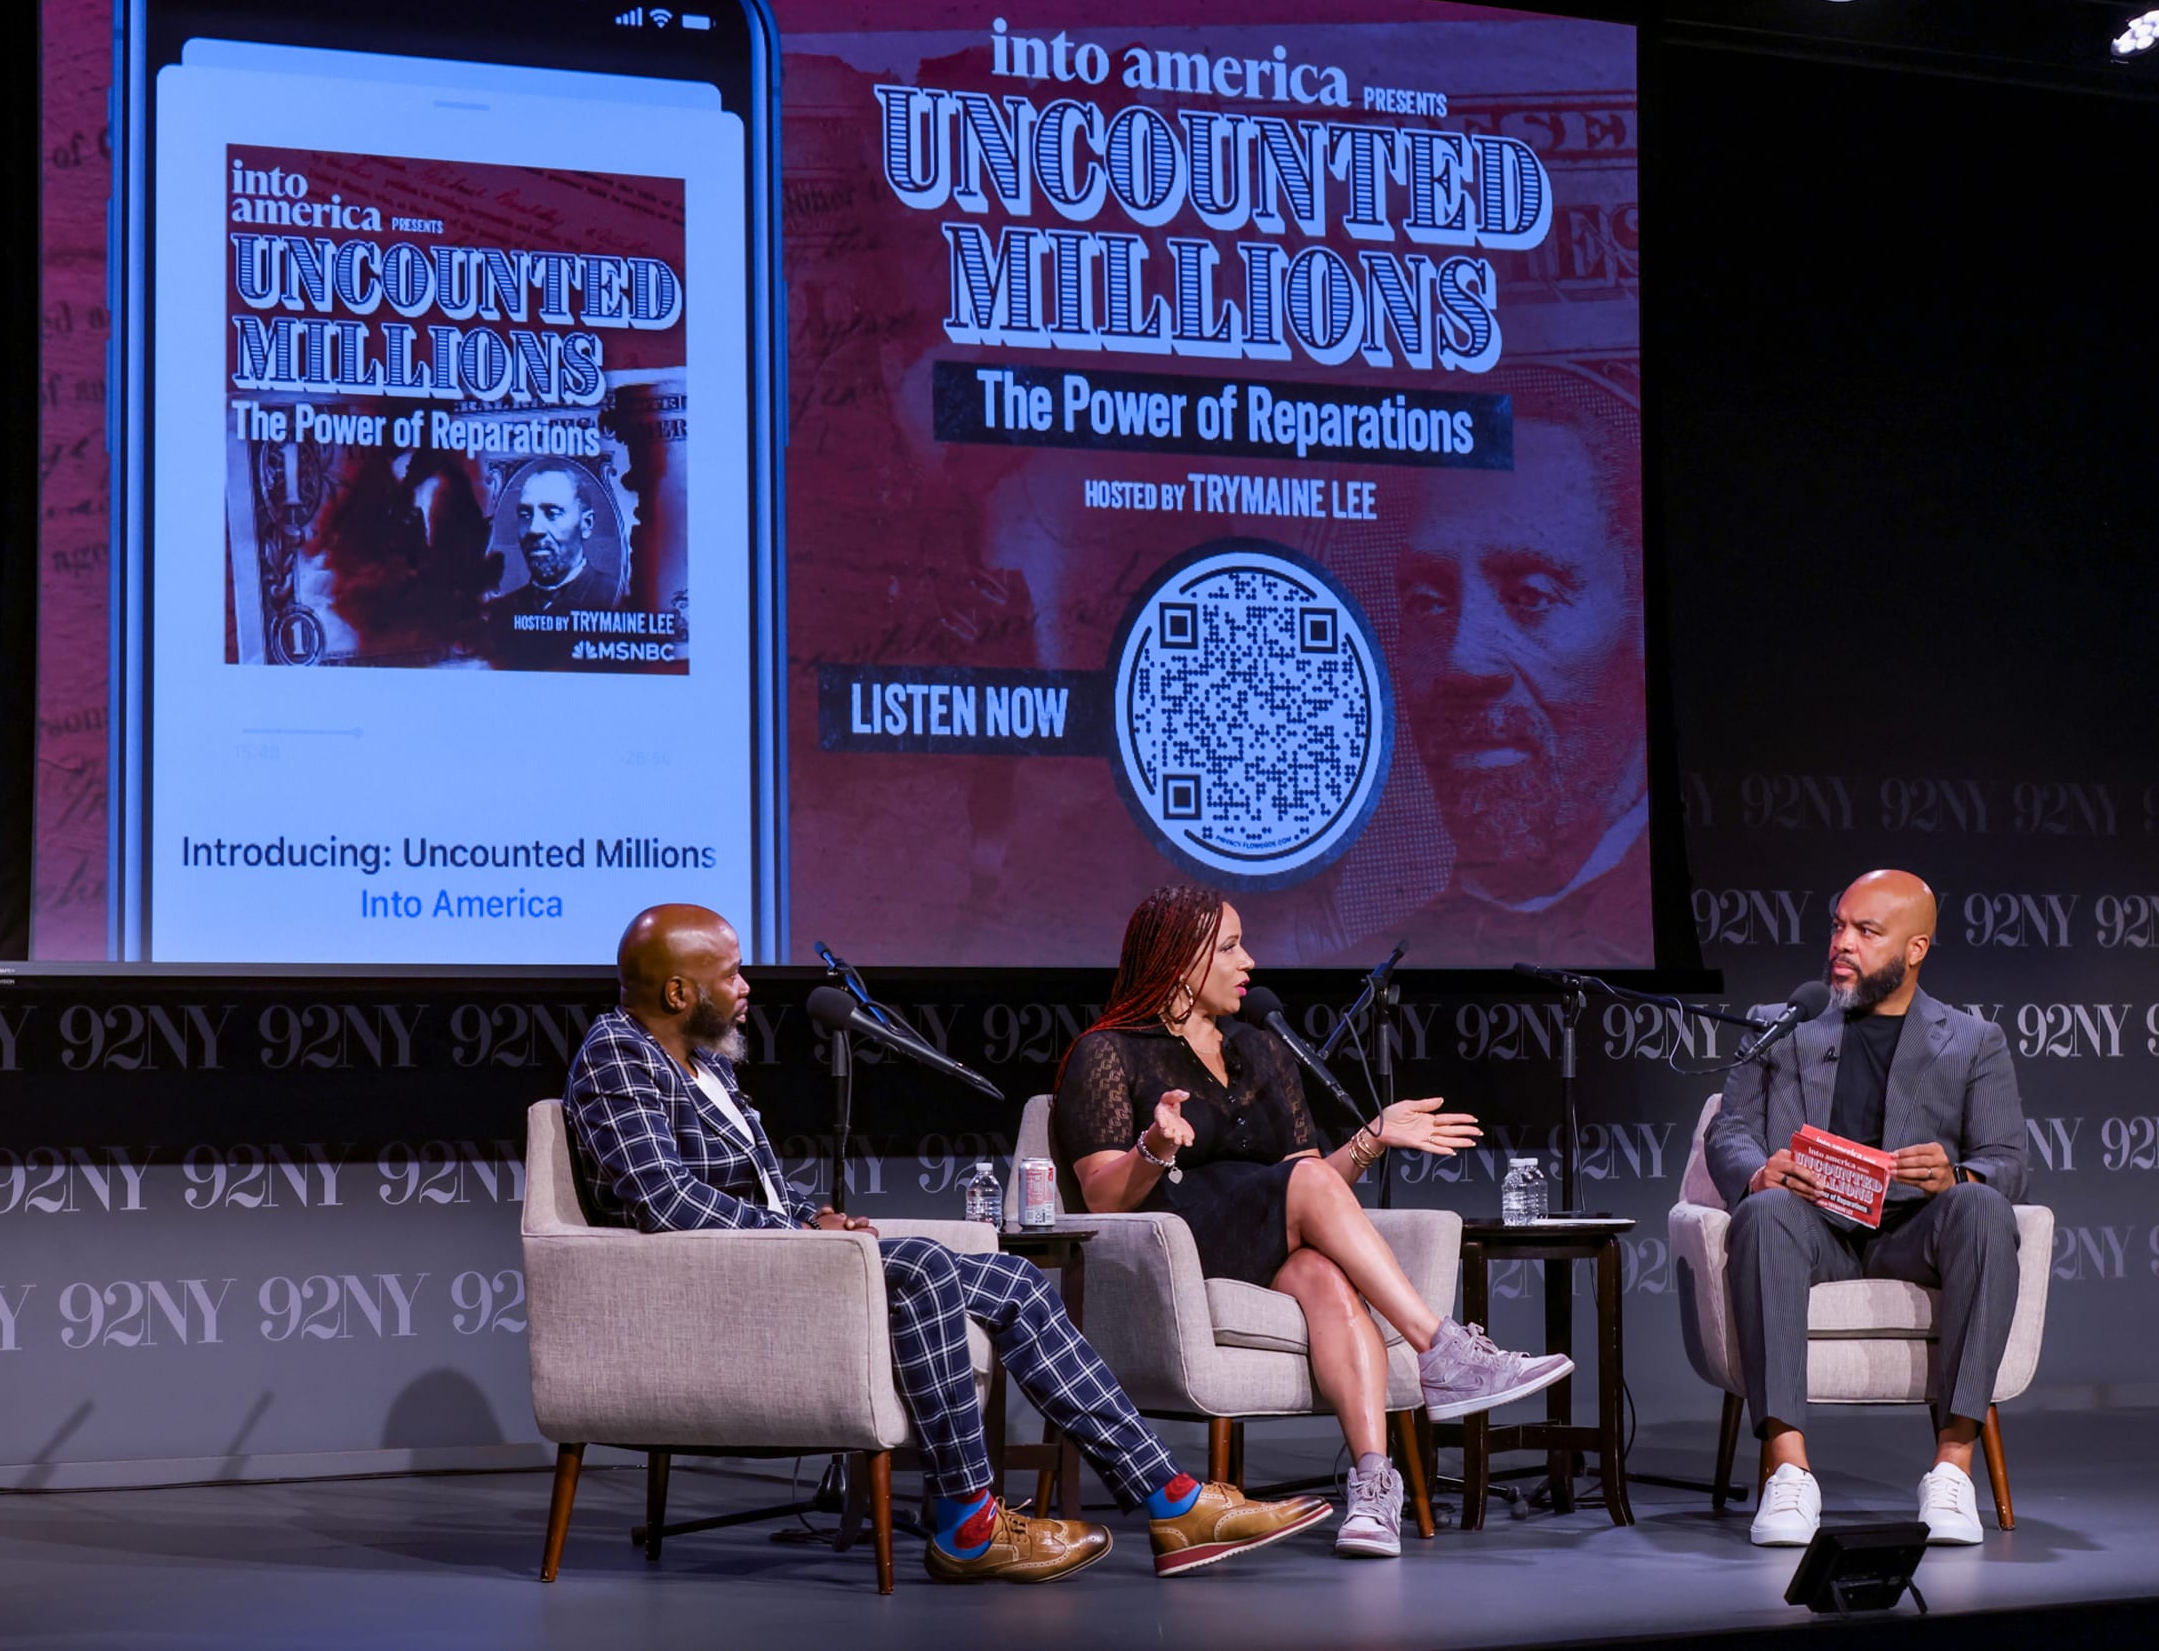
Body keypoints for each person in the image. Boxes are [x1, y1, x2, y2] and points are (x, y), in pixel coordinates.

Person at [563, 904, 1332, 1584]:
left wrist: (813, 1213)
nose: (746, 989)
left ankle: (1171, 1502)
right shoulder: (618, 1055)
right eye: (730, 976)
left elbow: (755, 1185)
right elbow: (666, 1200)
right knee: (927, 1267)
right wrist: (794, 1233)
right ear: (676, 993)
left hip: (772, 1260)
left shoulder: (703, 1068)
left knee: (1016, 1282)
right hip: (715, 1283)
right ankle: (968, 1526)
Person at [1053, 884, 1574, 1559]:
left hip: (1262, 1228)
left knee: (1327, 1278)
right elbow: (1098, 1195)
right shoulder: (1110, 1051)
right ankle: (1439, 1348)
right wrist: (1155, 1147)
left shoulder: (1260, 1048)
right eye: (1232, 948)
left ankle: (1371, 1490)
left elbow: (1312, 1180)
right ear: (1181, 961)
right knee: (1303, 1187)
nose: (1251, 964)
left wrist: (1369, 1140)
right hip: (1178, 1238)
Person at [1706, 869, 2029, 1547]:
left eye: (1866, 932)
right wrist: (1758, 1172)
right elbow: (1730, 1130)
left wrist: (1957, 1173)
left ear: (1915, 949)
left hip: (1913, 1234)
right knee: (1761, 1213)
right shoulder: (1781, 1028)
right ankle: (1789, 1475)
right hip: (1811, 1228)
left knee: (1984, 1208)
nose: (1842, 945)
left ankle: (1951, 1471)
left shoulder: (1972, 1040)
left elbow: (2008, 1158)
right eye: (1838, 926)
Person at [1379, 401, 1651, 965]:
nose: (1463, 662)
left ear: (1639, 619)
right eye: (1427, 603)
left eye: (1531, 595)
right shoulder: (1362, 971)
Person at [486, 463, 620, 622]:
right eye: (525, 514)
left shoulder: (617, 599)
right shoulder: (498, 613)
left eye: (552, 513)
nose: (534, 529)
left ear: (586, 524)